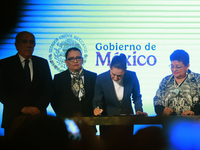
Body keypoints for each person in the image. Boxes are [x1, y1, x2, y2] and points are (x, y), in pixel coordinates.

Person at [0, 31, 52, 137]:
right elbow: (2, 92)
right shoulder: (5, 64)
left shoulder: (42, 63)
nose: (29, 45)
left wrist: (38, 107)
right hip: (14, 119)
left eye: (31, 42)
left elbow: (49, 89)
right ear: (16, 45)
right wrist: (22, 108)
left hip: (38, 119)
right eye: (24, 42)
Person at [93, 53, 147, 147]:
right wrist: (97, 109)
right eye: (113, 74)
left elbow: (136, 96)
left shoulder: (132, 76)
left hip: (126, 120)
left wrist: (139, 110)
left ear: (125, 71)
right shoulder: (101, 78)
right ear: (110, 67)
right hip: (107, 120)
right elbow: (98, 99)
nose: (115, 78)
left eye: (119, 76)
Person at [51, 47, 97, 118]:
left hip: (89, 120)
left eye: (78, 58)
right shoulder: (59, 78)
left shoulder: (93, 77)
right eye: (71, 59)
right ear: (66, 62)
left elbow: (96, 98)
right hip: (67, 121)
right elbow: (54, 100)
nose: (75, 61)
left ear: (82, 60)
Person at [154, 49, 200, 116]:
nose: (174, 69)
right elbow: (157, 100)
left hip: (193, 123)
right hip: (169, 123)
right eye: (172, 66)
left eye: (178, 67)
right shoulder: (165, 81)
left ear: (187, 66)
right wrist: (162, 111)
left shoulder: (197, 80)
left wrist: (194, 112)